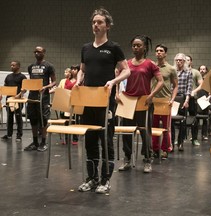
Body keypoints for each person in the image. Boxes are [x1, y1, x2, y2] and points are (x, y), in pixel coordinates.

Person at [75, 8, 130, 194]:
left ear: (107, 26)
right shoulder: (85, 48)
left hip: (106, 101)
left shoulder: (114, 48)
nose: (96, 25)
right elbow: (82, 69)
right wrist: (78, 79)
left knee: (105, 139)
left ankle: (105, 179)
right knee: (89, 139)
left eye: (99, 22)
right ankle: (92, 178)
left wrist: (113, 81)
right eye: (94, 22)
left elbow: (126, 70)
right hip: (88, 99)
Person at [118, 35, 163, 173]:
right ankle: (127, 158)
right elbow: (117, 77)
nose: (135, 48)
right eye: (134, 45)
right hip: (127, 101)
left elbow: (160, 82)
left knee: (145, 132)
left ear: (144, 47)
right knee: (126, 131)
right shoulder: (127, 64)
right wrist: (116, 94)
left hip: (144, 101)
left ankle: (147, 159)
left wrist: (151, 95)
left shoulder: (150, 64)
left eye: (138, 45)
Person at [24, 46, 56, 152]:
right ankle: (35, 142)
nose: (37, 53)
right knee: (33, 119)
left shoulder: (49, 66)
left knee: (43, 119)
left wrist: (46, 87)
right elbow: (31, 80)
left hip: (44, 97)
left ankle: (43, 142)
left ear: (44, 53)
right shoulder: (31, 66)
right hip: (32, 96)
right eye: (35, 52)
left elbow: (54, 82)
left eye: (39, 51)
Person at [151, 44, 178, 159]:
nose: (158, 53)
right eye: (157, 51)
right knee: (153, 127)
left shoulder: (171, 69)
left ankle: (165, 150)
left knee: (166, 128)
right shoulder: (152, 67)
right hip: (153, 101)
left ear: (165, 53)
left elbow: (176, 86)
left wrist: (172, 99)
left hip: (165, 101)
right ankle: (155, 149)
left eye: (161, 51)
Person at [171, 53, 192, 151]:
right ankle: (171, 142)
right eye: (177, 60)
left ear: (184, 62)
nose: (179, 62)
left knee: (183, 121)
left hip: (183, 97)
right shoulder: (172, 71)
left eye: (181, 60)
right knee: (171, 121)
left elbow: (189, 87)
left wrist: (187, 100)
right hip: (173, 97)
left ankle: (180, 142)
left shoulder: (188, 72)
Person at [1, 61, 26, 142]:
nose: (11, 66)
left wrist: (19, 95)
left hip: (18, 100)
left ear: (18, 66)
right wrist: (1, 94)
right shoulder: (8, 76)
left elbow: (25, 89)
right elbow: (5, 87)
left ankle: (19, 135)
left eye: (13, 65)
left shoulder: (22, 77)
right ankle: (9, 134)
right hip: (9, 99)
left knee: (18, 117)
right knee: (9, 117)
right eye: (11, 65)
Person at [186, 55, 203, 146]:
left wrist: (194, 91)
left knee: (194, 119)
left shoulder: (195, 72)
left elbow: (201, 85)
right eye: (185, 60)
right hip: (183, 98)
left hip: (192, 98)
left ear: (191, 62)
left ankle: (194, 139)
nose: (186, 61)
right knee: (182, 119)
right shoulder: (180, 72)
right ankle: (180, 139)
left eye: (188, 60)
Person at [197, 65, 211, 140]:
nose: (202, 70)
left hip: (205, 100)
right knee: (196, 119)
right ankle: (195, 137)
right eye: (201, 69)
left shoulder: (208, 80)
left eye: (204, 69)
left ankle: (204, 135)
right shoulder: (197, 79)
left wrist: (208, 99)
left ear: (206, 70)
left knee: (205, 119)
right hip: (197, 100)